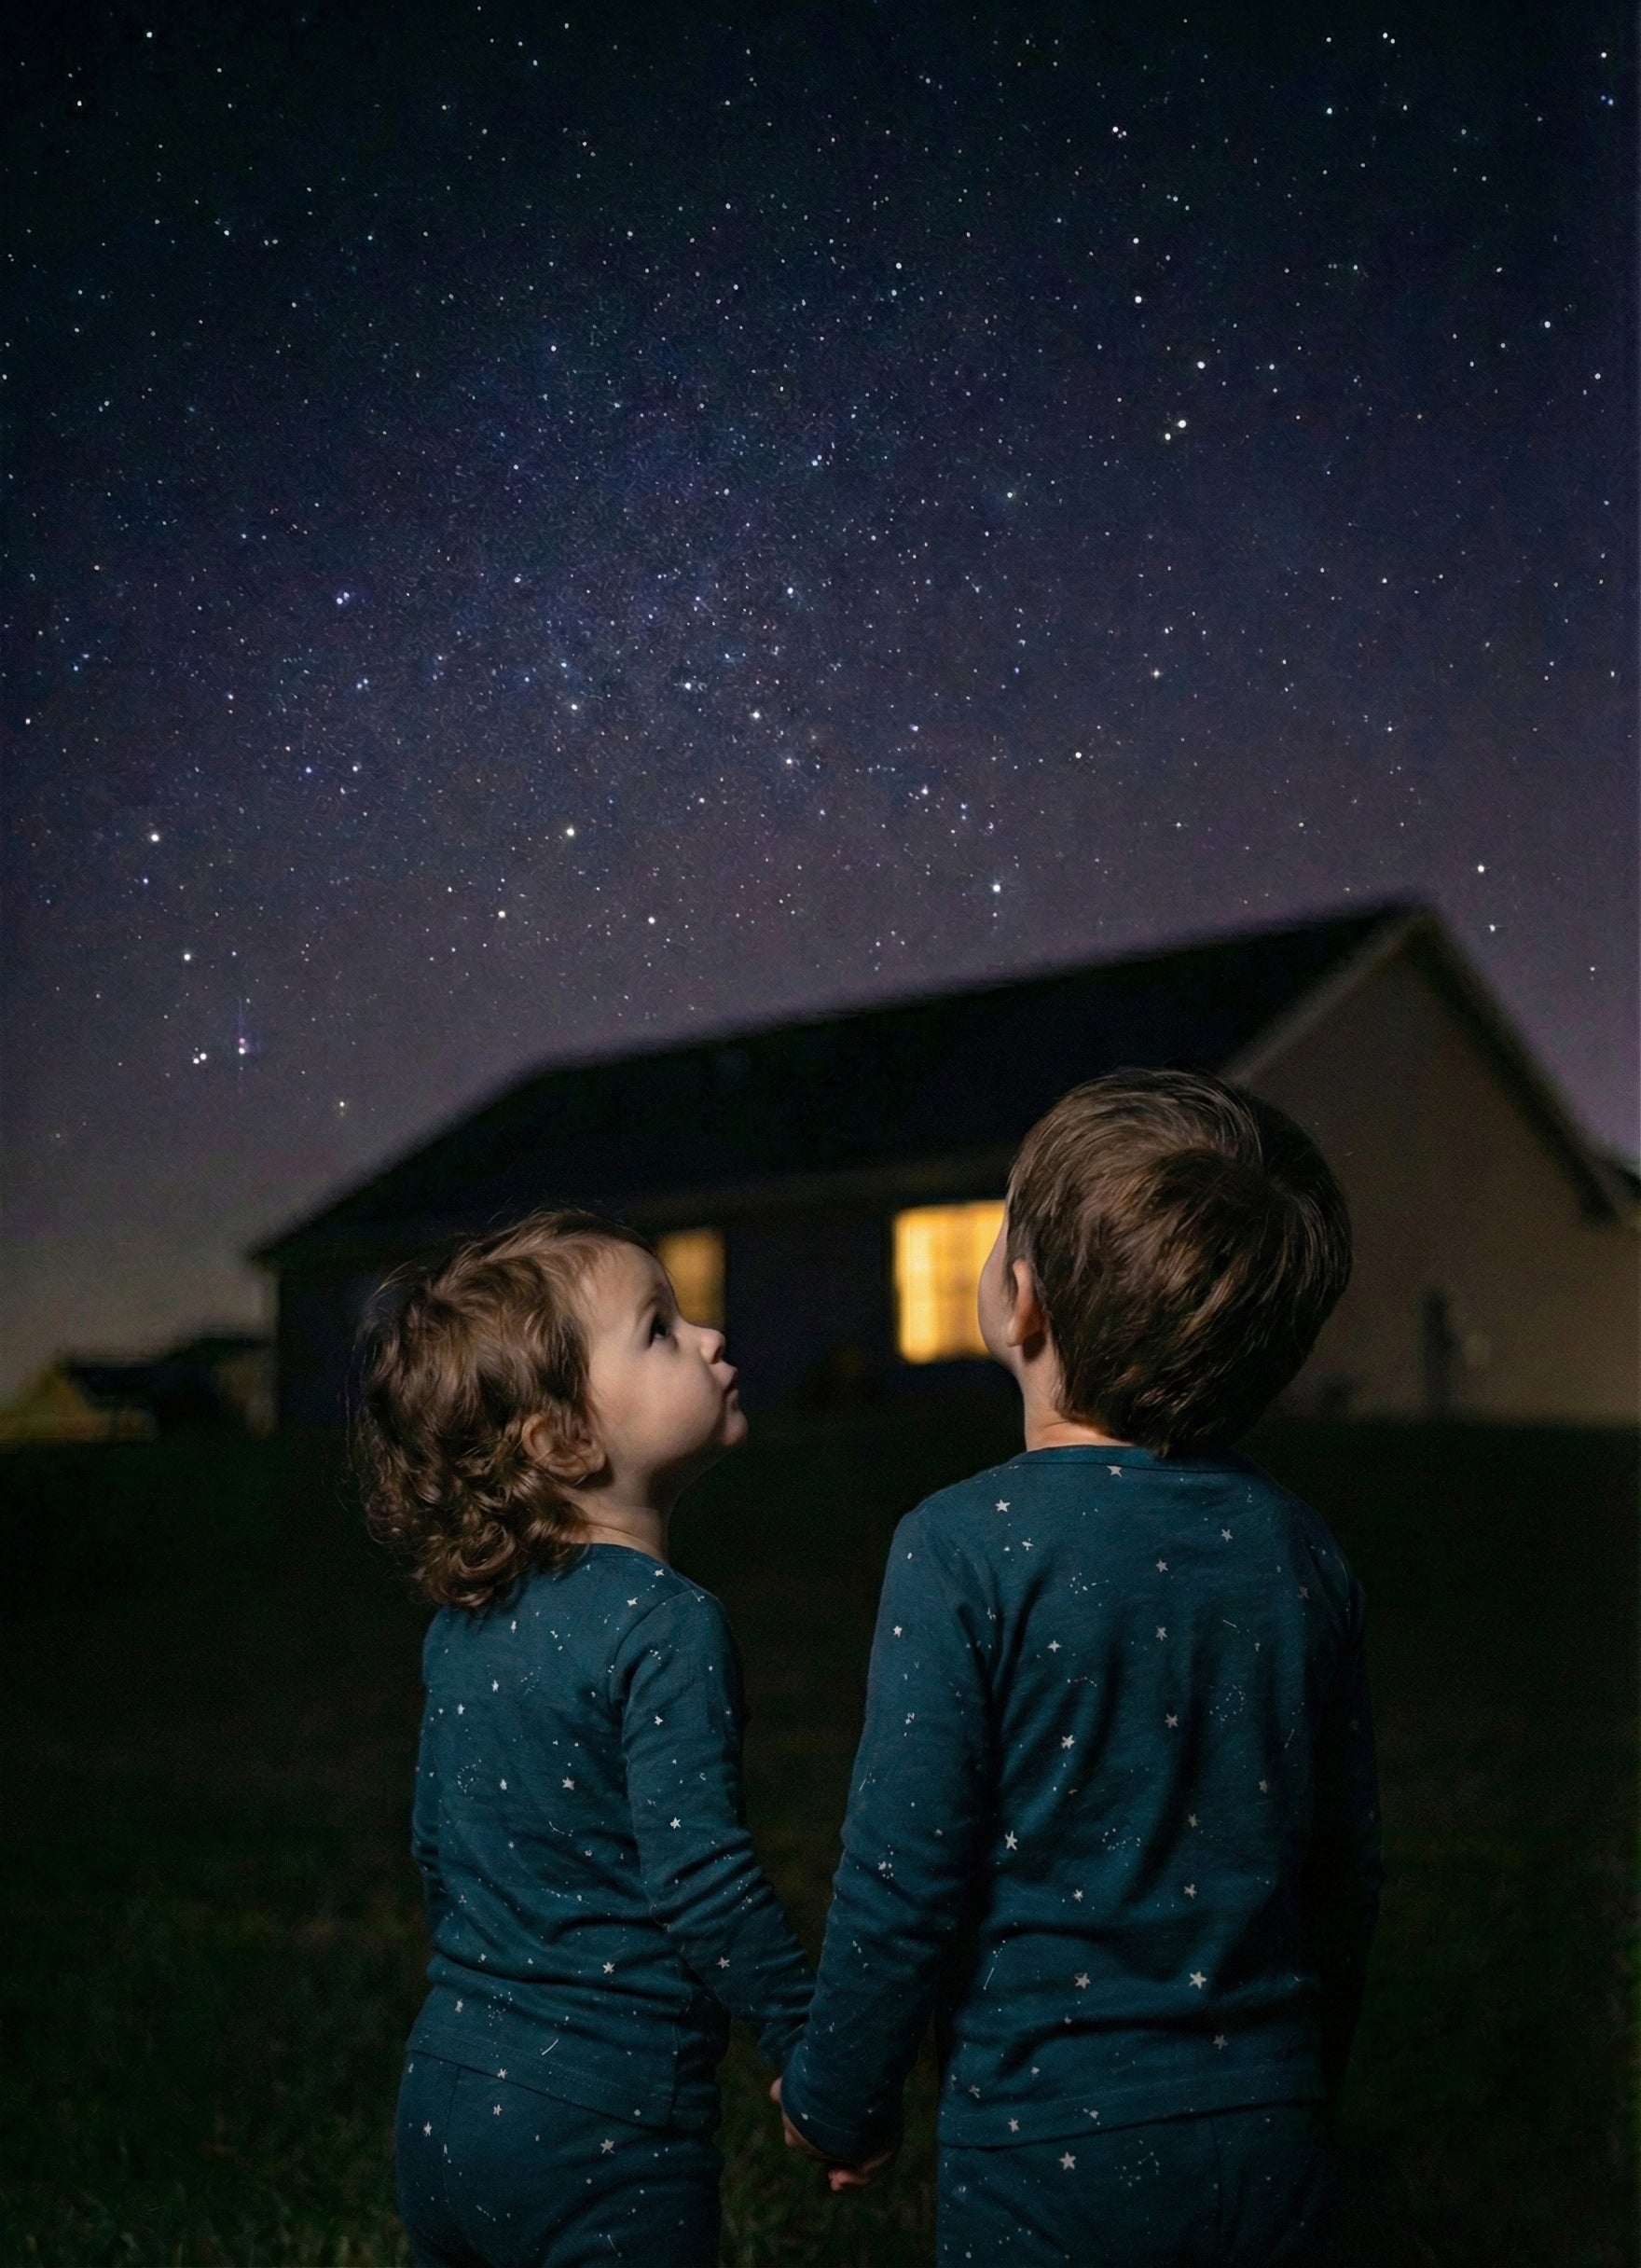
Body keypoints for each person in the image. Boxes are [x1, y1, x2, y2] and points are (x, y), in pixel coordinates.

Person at [777, 1071, 1382, 2265]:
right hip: (1269, 2130)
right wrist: (1304, 2078)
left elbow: (902, 1874)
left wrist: (838, 2093)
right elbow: (1341, 1869)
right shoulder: (1300, 1550)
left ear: (1021, 1303)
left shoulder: (959, 1547)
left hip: (1045, 2147)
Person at [359, 1210, 811, 2268]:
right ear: (563, 1436)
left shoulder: (460, 1625)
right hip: (601, 2127)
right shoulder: (665, 1620)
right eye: (658, 1326)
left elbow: (437, 1845)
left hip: (443, 2097)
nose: (705, 1337)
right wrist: (804, 2038)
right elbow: (701, 1875)